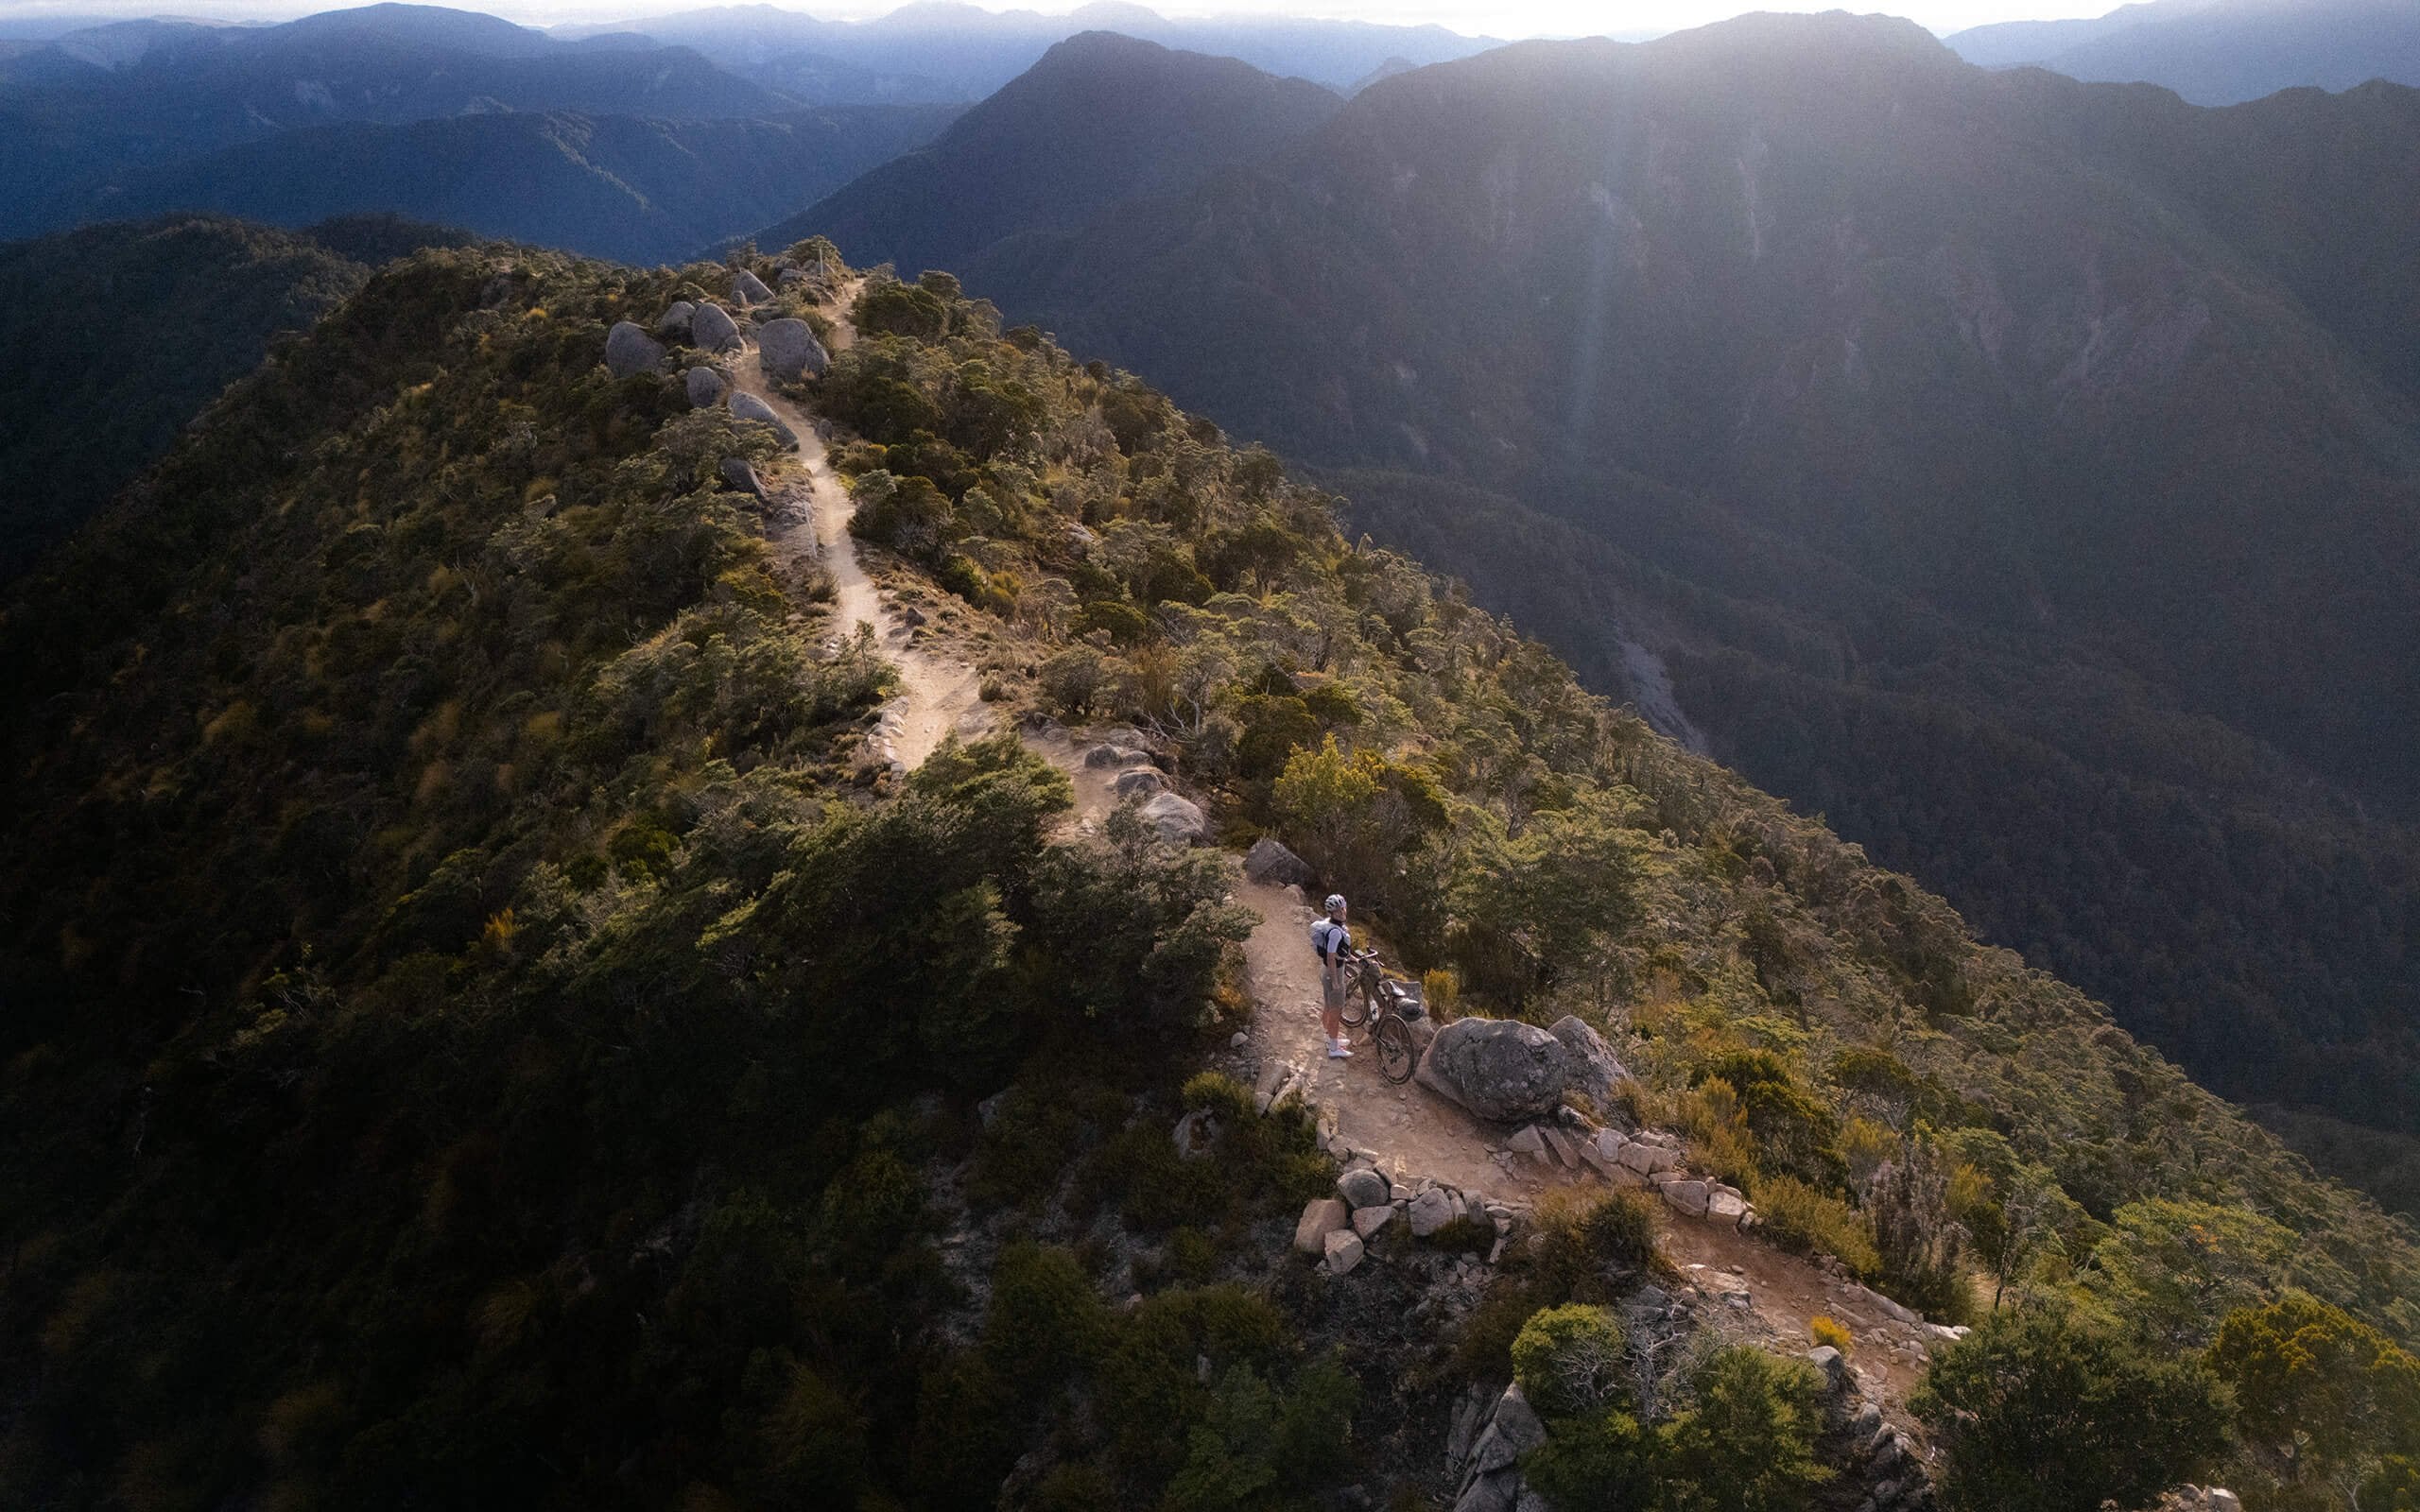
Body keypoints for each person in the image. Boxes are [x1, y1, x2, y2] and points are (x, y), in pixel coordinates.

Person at [1313, 893, 1354, 1059]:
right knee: (1335, 1011)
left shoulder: (1329, 925)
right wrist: (1336, 981)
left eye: (1342, 908)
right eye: (1338, 911)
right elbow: (1331, 956)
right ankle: (1334, 1047)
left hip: (1325, 971)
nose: (1342, 912)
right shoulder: (1336, 932)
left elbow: (1337, 953)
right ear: (1332, 912)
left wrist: (1350, 958)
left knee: (1328, 1006)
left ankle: (1328, 1037)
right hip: (1333, 972)